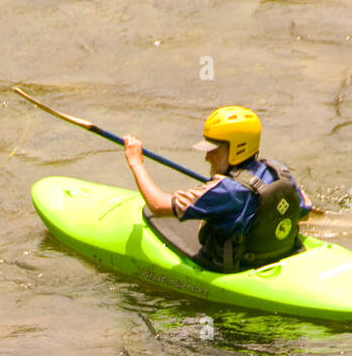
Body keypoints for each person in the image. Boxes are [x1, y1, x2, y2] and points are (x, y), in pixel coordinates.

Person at [122, 107, 312, 272]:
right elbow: (304, 212)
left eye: (214, 150)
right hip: (279, 252)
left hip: (235, 267)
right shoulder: (279, 172)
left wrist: (136, 162)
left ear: (238, 148)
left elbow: (156, 205)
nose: (207, 158)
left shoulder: (225, 190)